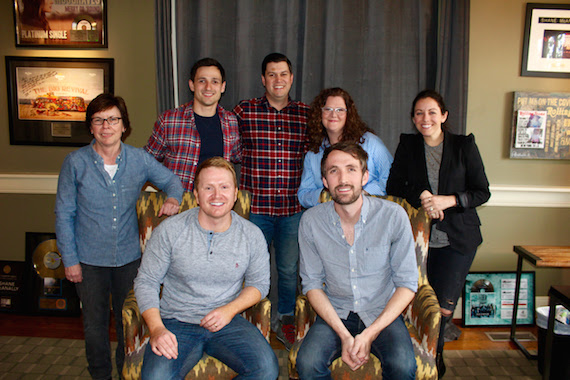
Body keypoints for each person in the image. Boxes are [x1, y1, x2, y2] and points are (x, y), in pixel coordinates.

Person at [55, 93, 183, 380]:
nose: (106, 126)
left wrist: (174, 198)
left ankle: (125, 371)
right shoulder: (75, 163)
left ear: (124, 125)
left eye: (113, 119)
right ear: (91, 127)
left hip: (128, 260)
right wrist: (70, 261)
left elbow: (172, 181)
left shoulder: (139, 160)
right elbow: (64, 215)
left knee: (129, 325)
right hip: (88, 261)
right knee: (94, 327)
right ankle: (101, 376)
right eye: (99, 120)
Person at [134, 157, 279, 379]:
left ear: (235, 194)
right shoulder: (170, 231)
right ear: (196, 194)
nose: (217, 195)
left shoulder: (251, 235)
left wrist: (229, 310)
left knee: (266, 369)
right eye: (208, 188)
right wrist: (157, 329)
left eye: (224, 187)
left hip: (227, 320)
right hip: (176, 321)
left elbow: (259, 284)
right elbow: (146, 281)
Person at [386, 89, 490, 378]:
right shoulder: (408, 145)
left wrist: (449, 200)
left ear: (443, 115)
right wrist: (421, 194)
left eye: (432, 112)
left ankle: (435, 355)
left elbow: (482, 192)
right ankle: (414, 352)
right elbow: (394, 185)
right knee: (418, 300)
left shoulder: (463, 146)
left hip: (458, 240)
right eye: (419, 113)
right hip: (419, 242)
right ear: (413, 118)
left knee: (443, 308)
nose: (425, 118)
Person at [297, 142, 418, 380]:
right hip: (337, 312)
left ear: (365, 176)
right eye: (334, 171)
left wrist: (370, 334)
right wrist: (344, 335)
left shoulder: (393, 216)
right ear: (324, 181)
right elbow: (311, 284)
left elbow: (407, 284)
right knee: (308, 363)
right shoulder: (311, 222)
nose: (343, 179)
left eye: (351, 169)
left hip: (381, 312)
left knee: (403, 367)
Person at [233, 52, 308, 349]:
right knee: (252, 268)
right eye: (272, 74)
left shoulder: (305, 113)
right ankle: (254, 321)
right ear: (263, 79)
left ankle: (284, 319)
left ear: (291, 78)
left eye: (283, 74)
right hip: (256, 210)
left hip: (292, 209)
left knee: (289, 269)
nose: (278, 80)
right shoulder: (244, 111)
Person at [145, 57, 241, 191]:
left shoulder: (231, 122)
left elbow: (239, 155)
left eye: (215, 81)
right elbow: (146, 162)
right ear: (192, 85)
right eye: (202, 81)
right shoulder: (169, 120)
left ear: (222, 87)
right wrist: (166, 188)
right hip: (179, 203)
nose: (208, 87)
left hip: (216, 202)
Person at [297, 87, 393, 208]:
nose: (333, 114)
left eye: (340, 110)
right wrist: (324, 196)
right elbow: (303, 194)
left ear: (349, 114)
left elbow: (391, 178)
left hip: (370, 212)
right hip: (329, 218)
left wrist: (364, 192)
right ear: (319, 114)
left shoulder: (371, 143)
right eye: (328, 109)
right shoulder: (314, 153)